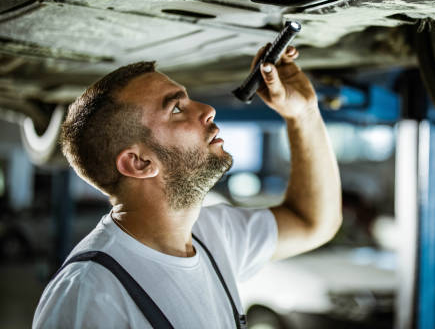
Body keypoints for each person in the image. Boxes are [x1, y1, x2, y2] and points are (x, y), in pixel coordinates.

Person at [32, 45, 342, 328]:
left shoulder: (213, 234)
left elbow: (312, 222)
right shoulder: (89, 294)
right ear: (139, 163)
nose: (208, 109)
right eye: (176, 109)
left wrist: (303, 114)